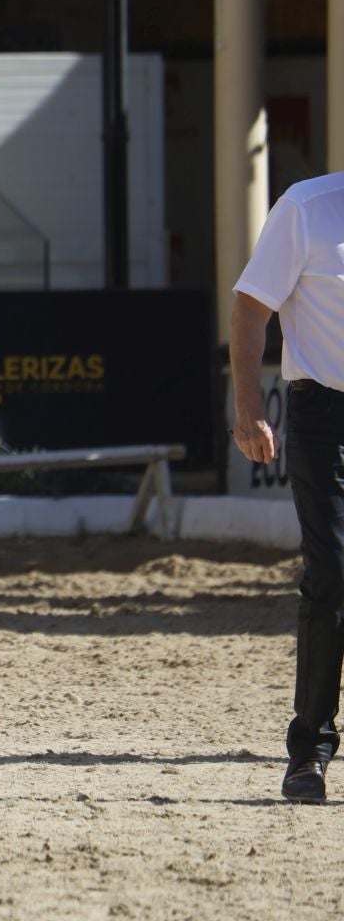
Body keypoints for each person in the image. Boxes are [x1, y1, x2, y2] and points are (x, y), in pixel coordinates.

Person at [232, 171, 344, 803]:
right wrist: (248, 408)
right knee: (331, 574)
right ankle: (310, 749)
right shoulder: (307, 208)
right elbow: (251, 308)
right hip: (327, 421)